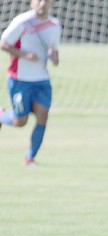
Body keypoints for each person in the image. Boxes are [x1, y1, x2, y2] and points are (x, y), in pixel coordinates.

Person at [0, 0, 61, 166]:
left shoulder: (55, 25)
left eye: (46, 1)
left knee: (43, 115)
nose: (42, 4)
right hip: (19, 79)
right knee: (20, 121)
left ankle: (30, 157)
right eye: (39, 1)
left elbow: (54, 52)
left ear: (51, 4)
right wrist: (24, 55)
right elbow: (3, 44)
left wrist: (55, 58)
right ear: (32, 3)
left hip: (41, 80)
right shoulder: (22, 22)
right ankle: (1, 115)